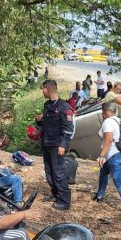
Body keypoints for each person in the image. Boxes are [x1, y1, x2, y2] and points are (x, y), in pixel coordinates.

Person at [35, 79, 73, 210]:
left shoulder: (64, 107)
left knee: (58, 173)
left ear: (48, 90)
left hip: (57, 145)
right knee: (49, 171)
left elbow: (68, 129)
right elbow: (48, 123)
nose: (42, 91)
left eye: (43, 89)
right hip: (47, 143)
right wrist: (40, 122)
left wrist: (63, 145)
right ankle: (55, 194)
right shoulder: (47, 105)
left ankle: (65, 200)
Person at [92, 101, 121, 217]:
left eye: (102, 112)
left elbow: (108, 140)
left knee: (119, 183)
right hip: (118, 154)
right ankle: (100, 195)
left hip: (112, 156)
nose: (102, 114)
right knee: (103, 173)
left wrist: (102, 155)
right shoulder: (118, 120)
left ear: (107, 112)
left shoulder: (108, 122)